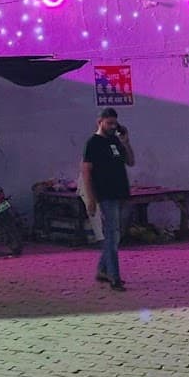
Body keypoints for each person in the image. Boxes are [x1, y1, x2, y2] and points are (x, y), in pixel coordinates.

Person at [81, 108, 135, 291]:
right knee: (112, 235)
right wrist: (91, 199)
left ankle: (102, 270)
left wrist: (126, 142)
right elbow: (86, 172)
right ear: (100, 122)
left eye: (114, 123)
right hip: (105, 195)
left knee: (116, 235)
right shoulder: (93, 143)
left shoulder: (115, 141)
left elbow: (130, 161)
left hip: (121, 193)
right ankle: (115, 277)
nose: (112, 127)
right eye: (109, 123)